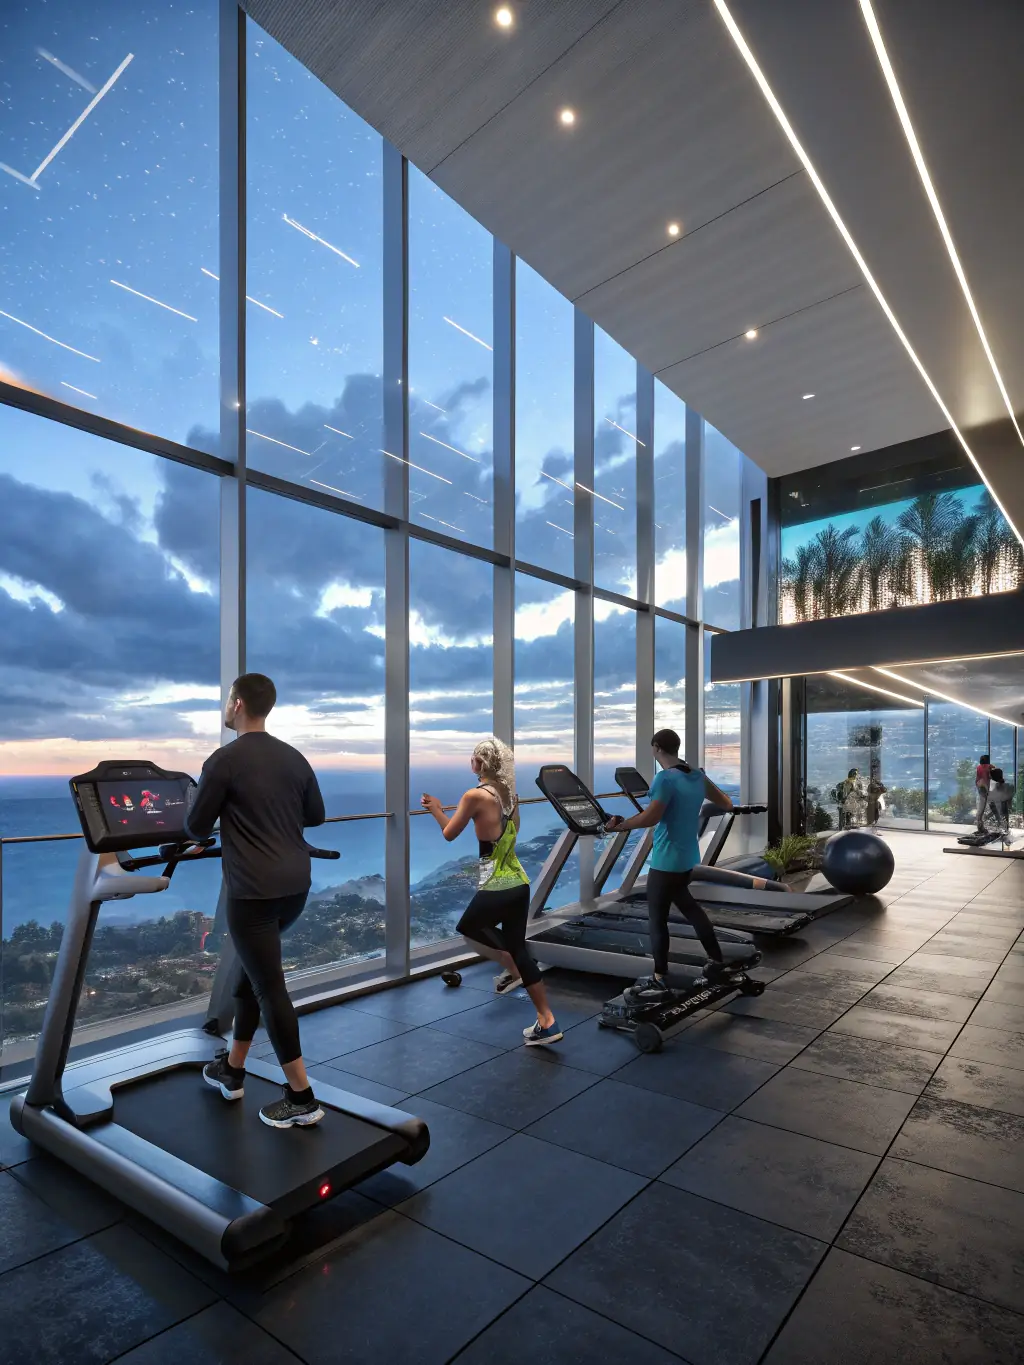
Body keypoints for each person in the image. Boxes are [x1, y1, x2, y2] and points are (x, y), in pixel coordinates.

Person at [187, 673, 328, 1128]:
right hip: (295, 888)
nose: (227, 707)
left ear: (239, 703)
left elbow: (195, 825)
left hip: (252, 892)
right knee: (251, 979)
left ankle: (301, 1097)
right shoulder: (294, 757)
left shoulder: (224, 760)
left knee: (269, 987)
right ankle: (233, 1069)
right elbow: (316, 816)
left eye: (228, 700)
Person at [421, 737, 561, 1046]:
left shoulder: (474, 795)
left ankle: (511, 969)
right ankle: (546, 1021)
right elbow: (511, 833)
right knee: (519, 950)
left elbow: (449, 833)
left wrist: (435, 809)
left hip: (496, 883)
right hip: (519, 882)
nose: (470, 761)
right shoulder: (510, 795)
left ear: (479, 764)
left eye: (472, 757)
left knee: (468, 927)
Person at [604, 728, 732, 1003]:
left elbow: (652, 817)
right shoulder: (696, 775)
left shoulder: (664, 778)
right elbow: (726, 802)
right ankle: (717, 960)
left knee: (657, 920)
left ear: (656, 748)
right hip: (686, 857)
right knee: (690, 908)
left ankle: (660, 977)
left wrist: (622, 826)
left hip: (665, 860)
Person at [975, 753, 993, 832]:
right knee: (983, 808)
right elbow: (992, 773)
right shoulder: (988, 767)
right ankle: (981, 827)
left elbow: (980, 778)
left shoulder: (979, 767)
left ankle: (980, 826)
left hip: (979, 786)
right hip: (984, 788)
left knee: (981, 808)